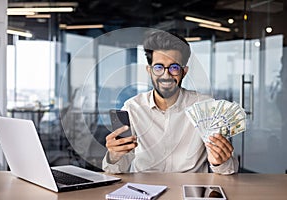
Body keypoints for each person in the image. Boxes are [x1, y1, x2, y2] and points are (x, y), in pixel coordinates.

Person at [102, 30, 239, 174]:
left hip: (190, 191)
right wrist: (114, 155)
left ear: (184, 71)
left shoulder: (206, 107)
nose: (166, 75)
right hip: (145, 189)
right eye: (159, 67)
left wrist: (221, 162)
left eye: (174, 67)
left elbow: (229, 169)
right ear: (149, 70)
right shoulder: (132, 108)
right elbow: (115, 170)